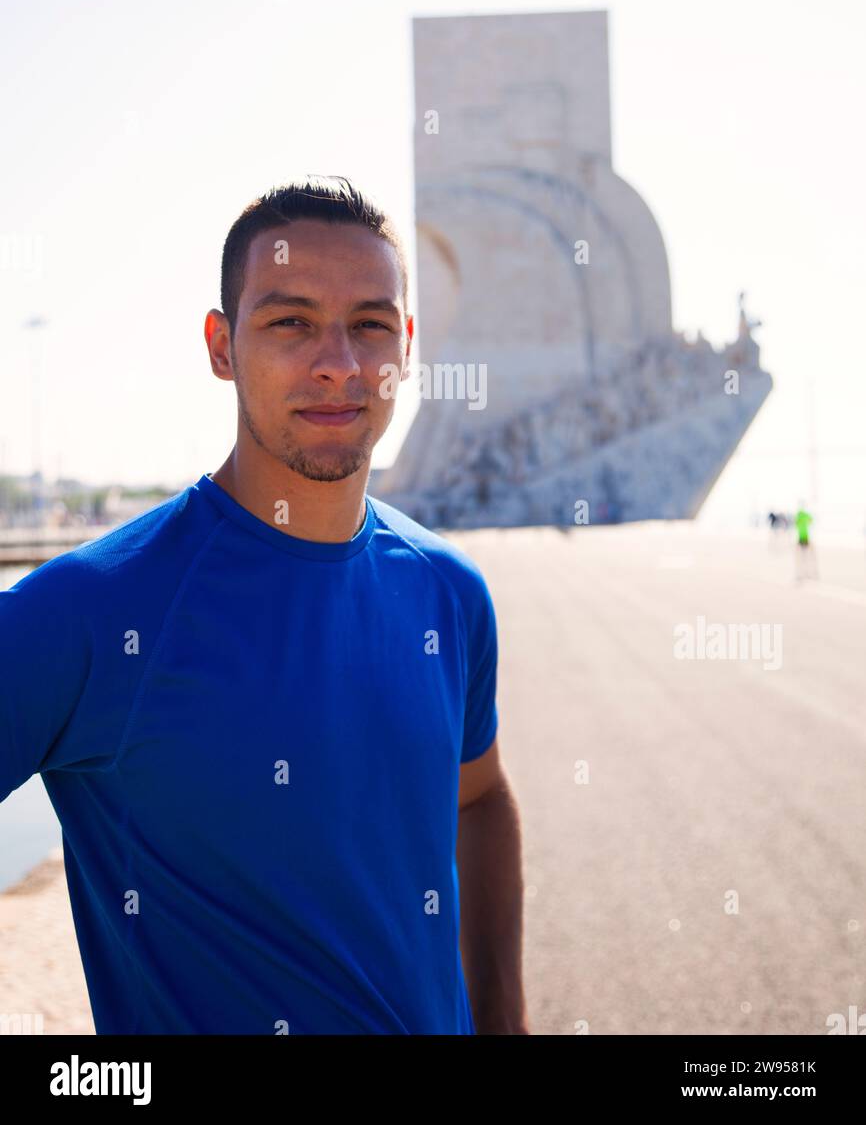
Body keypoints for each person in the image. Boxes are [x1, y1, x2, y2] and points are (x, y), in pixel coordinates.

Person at [0, 176, 529, 1035]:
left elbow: (479, 801)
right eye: (290, 322)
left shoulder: (448, 591)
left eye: (370, 324)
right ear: (221, 345)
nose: (339, 363)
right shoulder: (92, 611)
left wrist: (503, 1018)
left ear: (405, 347)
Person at [794, 501, 817, 581]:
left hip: (801, 537)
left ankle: (802, 572)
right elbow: (811, 521)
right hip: (805, 537)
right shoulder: (805, 515)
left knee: (801, 556)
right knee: (807, 555)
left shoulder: (798, 515)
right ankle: (806, 572)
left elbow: (796, 524)